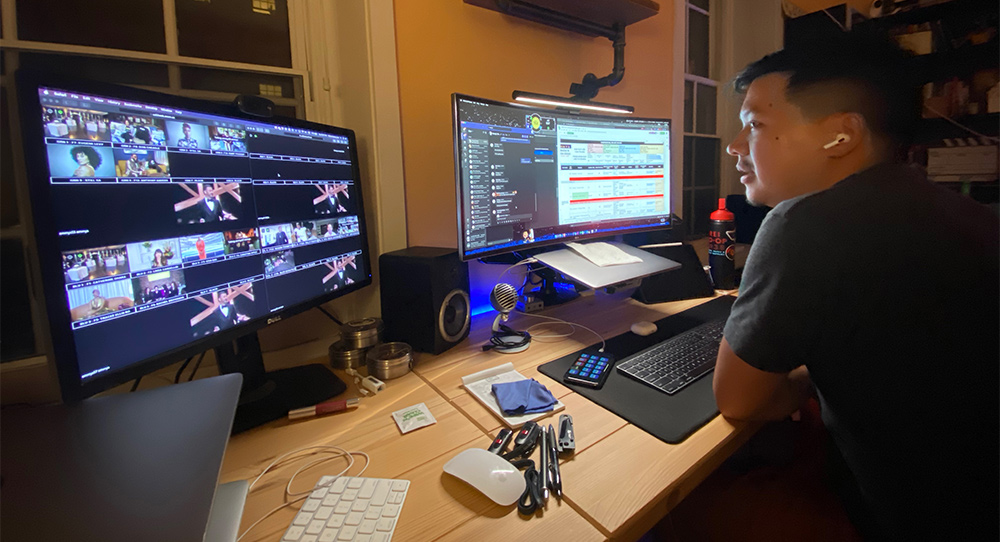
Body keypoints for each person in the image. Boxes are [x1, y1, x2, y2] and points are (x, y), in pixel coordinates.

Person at [710, 29, 999, 541]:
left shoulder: (803, 224)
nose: (734, 148)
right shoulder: (957, 212)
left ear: (841, 135)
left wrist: (797, 384)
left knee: (681, 509)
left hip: (908, 522)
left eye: (754, 124)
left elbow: (738, 400)